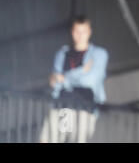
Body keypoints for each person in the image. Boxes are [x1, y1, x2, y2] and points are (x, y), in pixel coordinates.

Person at [40, 15, 109, 143]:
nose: (80, 35)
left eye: (84, 32)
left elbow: (90, 80)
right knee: (50, 139)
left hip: (84, 108)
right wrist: (81, 71)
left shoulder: (99, 54)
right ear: (72, 32)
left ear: (89, 32)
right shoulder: (63, 53)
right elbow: (54, 82)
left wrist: (64, 79)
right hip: (63, 107)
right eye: (77, 31)